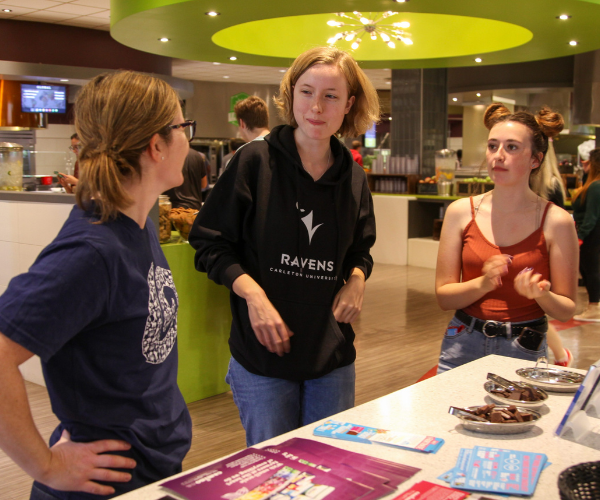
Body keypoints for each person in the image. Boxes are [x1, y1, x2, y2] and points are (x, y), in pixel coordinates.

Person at [0, 71, 193, 499]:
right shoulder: (93, 250)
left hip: (153, 473)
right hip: (102, 486)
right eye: (183, 128)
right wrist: (45, 465)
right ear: (156, 146)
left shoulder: (137, 226)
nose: (188, 141)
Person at [189, 46, 380, 446]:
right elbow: (210, 245)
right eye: (306, 91)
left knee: (329, 468)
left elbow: (361, 249)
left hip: (331, 356)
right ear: (291, 95)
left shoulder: (354, 179)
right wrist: (254, 296)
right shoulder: (253, 164)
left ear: (349, 104)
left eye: (331, 96)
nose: (316, 107)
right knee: (270, 471)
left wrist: (358, 278)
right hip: (262, 358)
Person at [435, 103, 578, 373]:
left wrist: (542, 294)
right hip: (462, 343)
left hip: (524, 348)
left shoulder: (556, 221)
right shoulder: (460, 213)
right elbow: (444, 297)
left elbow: (566, 309)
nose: (498, 156)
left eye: (511, 147)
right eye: (492, 146)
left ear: (535, 159)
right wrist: (484, 283)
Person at [529, 136, 572, 366]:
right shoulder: (543, 182)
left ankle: (561, 356)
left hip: (544, 256)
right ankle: (561, 356)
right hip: (534, 254)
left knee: (538, 310)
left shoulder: (550, 184)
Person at [572, 148, 600, 322]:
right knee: (589, 268)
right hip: (590, 232)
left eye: (588, 161)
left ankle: (594, 306)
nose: (584, 164)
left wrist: (580, 236)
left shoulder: (596, 186)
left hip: (591, 233)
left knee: (591, 269)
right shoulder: (591, 184)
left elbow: (591, 215)